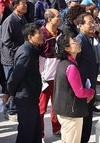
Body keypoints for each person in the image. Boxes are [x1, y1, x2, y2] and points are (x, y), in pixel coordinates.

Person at [2, 23, 44, 143]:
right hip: (26, 97)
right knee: (26, 133)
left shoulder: (31, 49)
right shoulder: (26, 53)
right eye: (39, 33)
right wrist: (8, 92)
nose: (42, 35)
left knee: (35, 131)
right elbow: (15, 75)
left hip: (31, 96)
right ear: (30, 37)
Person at [53, 32, 96, 143]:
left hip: (64, 110)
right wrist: (91, 91)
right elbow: (80, 92)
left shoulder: (63, 63)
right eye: (74, 41)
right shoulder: (71, 67)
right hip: (71, 113)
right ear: (67, 48)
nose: (78, 42)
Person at [0, 0, 28, 121]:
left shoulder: (22, 19)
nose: (26, 5)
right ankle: (10, 110)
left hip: (19, 57)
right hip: (10, 58)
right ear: (15, 6)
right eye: (23, 3)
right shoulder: (9, 21)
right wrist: (21, 49)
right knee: (11, 83)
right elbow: (6, 40)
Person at [74, 13, 99, 143]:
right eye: (89, 22)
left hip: (90, 85)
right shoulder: (79, 41)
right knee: (84, 122)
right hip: (85, 88)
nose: (93, 24)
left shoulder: (88, 38)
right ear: (80, 25)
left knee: (88, 120)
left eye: (93, 22)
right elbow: (75, 66)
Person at [38, 9, 62, 139]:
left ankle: (56, 127)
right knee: (41, 108)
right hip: (44, 78)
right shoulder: (41, 35)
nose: (60, 18)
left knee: (56, 104)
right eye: (57, 16)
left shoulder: (60, 32)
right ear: (50, 19)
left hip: (58, 77)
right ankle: (40, 133)